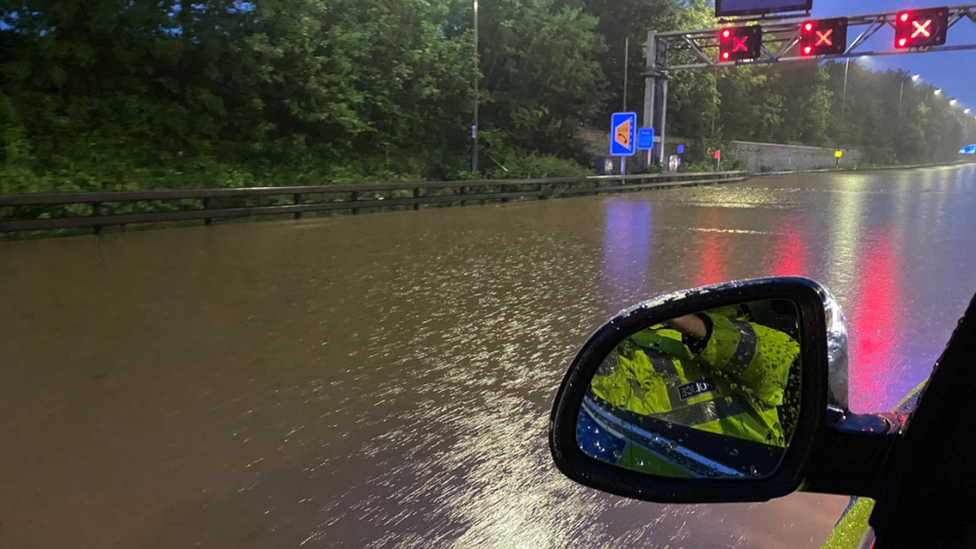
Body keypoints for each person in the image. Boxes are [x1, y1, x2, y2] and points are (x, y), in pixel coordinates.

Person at [578, 306, 801, 478]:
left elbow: (781, 364)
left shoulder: (728, 319)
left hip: (760, 477)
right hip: (693, 495)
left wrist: (699, 328)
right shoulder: (618, 351)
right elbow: (611, 425)